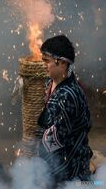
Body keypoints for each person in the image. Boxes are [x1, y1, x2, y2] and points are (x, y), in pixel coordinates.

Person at [37, 35, 93, 186]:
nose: (43, 65)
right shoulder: (50, 82)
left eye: (46, 61)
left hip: (71, 175)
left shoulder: (68, 95)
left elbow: (52, 142)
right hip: (54, 168)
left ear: (61, 63)